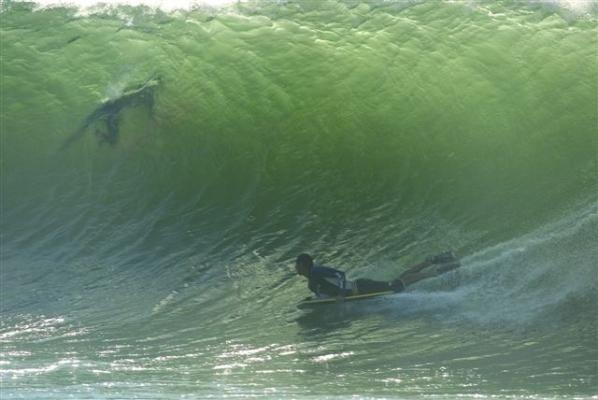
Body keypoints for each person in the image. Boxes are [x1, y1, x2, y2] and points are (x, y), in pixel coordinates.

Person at [295, 252, 460, 298]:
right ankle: (431, 261)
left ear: (303, 265)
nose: (295, 267)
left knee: (397, 285)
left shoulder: (316, 271)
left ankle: (436, 271)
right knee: (398, 280)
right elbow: (325, 291)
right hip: (360, 288)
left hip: (361, 288)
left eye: (297, 264)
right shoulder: (312, 280)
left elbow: (340, 275)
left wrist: (340, 293)